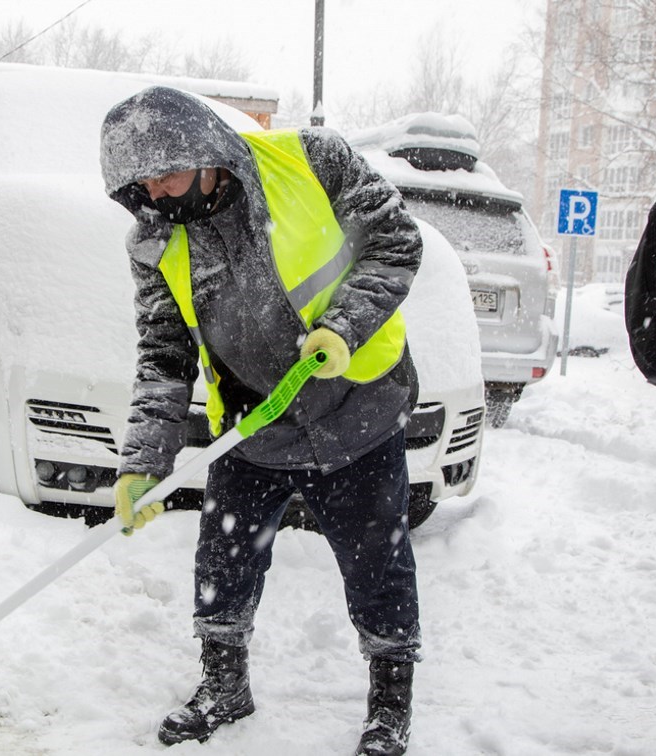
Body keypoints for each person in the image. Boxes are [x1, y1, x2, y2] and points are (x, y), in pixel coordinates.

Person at [99, 85, 424, 756]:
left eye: (168, 173)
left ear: (205, 148)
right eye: (145, 184)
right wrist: (142, 464)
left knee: (378, 568)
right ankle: (224, 688)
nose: (159, 194)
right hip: (252, 425)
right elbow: (163, 356)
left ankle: (390, 706)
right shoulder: (155, 242)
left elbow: (395, 243)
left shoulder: (313, 159)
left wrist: (343, 327)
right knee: (223, 563)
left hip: (356, 407)